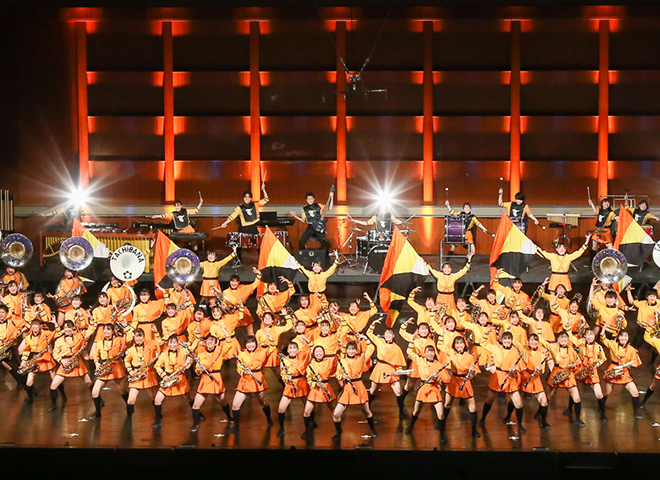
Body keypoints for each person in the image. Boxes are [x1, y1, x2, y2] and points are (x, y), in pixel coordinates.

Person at [479, 331, 525, 435]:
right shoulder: (496, 348)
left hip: (510, 377)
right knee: (489, 399)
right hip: (498, 376)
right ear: (502, 340)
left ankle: (518, 424)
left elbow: (519, 368)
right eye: (505, 339)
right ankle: (482, 419)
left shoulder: (515, 352)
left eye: (509, 339)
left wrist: (515, 371)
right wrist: (486, 334)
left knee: (518, 403)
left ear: (511, 340)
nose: (507, 341)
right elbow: (483, 343)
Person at [229, 335, 275, 433]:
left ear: (256, 343)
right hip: (245, 380)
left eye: (252, 342)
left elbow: (272, 348)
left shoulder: (262, 352)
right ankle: (236, 427)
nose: (250, 345)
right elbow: (239, 368)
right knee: (235, 405)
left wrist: (271, 340)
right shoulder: (242, 354)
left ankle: (269, 419)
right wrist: (243, 372)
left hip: (257, 378)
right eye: (248, 343)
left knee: (263, 402)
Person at [332, 341, 377, 440]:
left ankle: (373, 429)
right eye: (349, 349)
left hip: (359, 387)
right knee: (336, 414)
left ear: (356, 351)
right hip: (348, 387)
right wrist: (342, 377)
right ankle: (338, 432)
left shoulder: (361, 358)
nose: (351, 351)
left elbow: (371, 348)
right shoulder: (342, 361)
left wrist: (365, 339)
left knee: (366, 411)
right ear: (346, 350)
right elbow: (338, 374)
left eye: (353, 349)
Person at [540, 330, 585, 427]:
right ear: (558, 339)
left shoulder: (571, 349)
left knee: (576, 397)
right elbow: (542, 341)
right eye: (561, 337)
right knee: (548, 396)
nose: (563, 339)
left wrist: (574, 366)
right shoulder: (554, 347)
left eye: (565, 338)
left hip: (568, 373)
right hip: (556, 372)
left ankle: (578, 419)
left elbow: (578, 362)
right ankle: (540, 414)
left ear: (568, 339)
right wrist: (539, 330)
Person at [191, 334, 233, 432]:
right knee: (196, 404)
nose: (209, 342)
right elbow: (197, 371)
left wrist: (226, 334)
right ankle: (195, 423)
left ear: (215, 343)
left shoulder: (220, 351)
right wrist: (199, 369)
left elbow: (229, 344)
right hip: (205, 380)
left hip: (216, 378)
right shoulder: (201, 355)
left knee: (222, 401)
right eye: (208, 340)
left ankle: (229, 417)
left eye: (212, 340)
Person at [49, 319, 94, 411]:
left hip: (77, 361)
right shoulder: (59, 340)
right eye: (65, 328)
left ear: (73, 328)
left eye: (69, 327)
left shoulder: (79, 336)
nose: (67, 330)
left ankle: (98, 400)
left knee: (89, 382)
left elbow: (90, 331)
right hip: (65, 363)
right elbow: (55, 353)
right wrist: (61, 360)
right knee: (53, 385)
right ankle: (53, 404)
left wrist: (92, 321)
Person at [365, 318, 407, 417]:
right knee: (373, 391)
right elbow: (369, 333)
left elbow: (399, 362)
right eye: (386, 334)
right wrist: (373, 323)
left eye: (390, 334)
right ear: (384, 335)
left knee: (398, 391)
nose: (388, 336)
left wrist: (399, 371)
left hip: (391, 369)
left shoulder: (397, 348)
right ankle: (367, 408)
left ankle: (401, 411)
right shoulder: (380, 341)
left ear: (393, 336)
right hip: (380, 369)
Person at [217, 182, 269, 261]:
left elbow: (266, 199)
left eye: (248, 197)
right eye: (245, 197)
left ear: (251, 198)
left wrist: (264, 189)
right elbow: (232, 216)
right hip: (243, 228)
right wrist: (224, 223)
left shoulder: (255, 205)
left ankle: (262, 260)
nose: (247, 198)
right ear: (243, 198)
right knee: (239, 245)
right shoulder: (240, 208)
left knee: (258, 244)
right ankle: (238, 261)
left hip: (253, 227)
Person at [443, 336, 482, 439]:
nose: (459, 345)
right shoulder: (451, 354)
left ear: (464, 345)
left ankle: (474, 431)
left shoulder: (469, 357)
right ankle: (441, 425)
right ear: (454, 345)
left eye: (461, 343)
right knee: (447, 404)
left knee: (472, 407)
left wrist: (472, 374)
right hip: (454, 381)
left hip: (465, 382)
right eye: (457, 343)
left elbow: (475, 371)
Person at [405, 344, 447, 438]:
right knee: (416, 411)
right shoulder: (420, 361)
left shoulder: (438, 364)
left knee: (441, 414)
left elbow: (446, 379)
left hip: (434, 388)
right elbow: (409, 352)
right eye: (428, 352)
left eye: (431, 352)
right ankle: (410, 427)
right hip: (423, 388)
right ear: (425, 353)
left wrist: (437, 378)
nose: (430, 354)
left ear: (434, 353)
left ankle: (442, 435)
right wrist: (412, 341)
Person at [566, 328, 608, 422]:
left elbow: (603, 358)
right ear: (585, 336)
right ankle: (569, 408)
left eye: (592, 335)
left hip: (592, 370)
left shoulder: (598, 347)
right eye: (588, 335)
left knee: (599, 394)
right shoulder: (580, 343)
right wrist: (568, 327)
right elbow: (571, 337)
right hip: (581, 369)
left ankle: (603, 414)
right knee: (574, 389)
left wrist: (596, 364)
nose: (590, 337)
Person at [600, 328, 643, 419]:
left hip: (624, 371)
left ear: (628, 338)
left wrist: (629, 365)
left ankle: (636, 413)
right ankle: (601, 409)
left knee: (635, 392)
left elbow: (635, 361)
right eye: (622, 336)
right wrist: (603, 329)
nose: (624, 338)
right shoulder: (613, 345)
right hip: (613, 370)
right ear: (618, 337)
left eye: (626, 336)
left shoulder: (631, 349)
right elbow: (603, 338)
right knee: (607, 393)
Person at [152, 335, 194, 428]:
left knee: (188, 397)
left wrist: (189, 363)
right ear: (168, 344)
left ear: (178, 343)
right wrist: (163, 375)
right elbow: (157, 366)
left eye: (174, 342)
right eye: (170, 343)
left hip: (180, 379)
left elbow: (192, 352)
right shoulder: (164, 354)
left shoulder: (183, 351)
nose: (172, 345)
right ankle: (158, 419)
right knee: (157, 400)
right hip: (169, 379)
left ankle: (197, 414)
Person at [90, 324, 128, 419]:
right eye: (105, 330)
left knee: (123, 390)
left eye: (109, 330)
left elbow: (128, 339)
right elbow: (95, 356)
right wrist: (97, 364)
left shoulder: (118, 340)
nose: (106, 332)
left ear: (113, 331)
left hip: (116, 367)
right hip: (104, 368)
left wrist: (125, 328)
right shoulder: (99, 343)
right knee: (95, 392)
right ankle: (97, 412)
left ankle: (129, 407)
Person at [276, 341, 311, 437]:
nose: (292, 350)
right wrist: (286, 378)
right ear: (287, 350)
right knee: (281, 408)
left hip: (302, 382)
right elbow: (283, 374)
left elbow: (308, 352)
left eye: (294, 348)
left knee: (308, 407)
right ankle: (281, 428)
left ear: (298, 350)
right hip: (290, 384)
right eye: (290, 348)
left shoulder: (302, 357)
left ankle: (309, 428)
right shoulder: (284, 360)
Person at [124, 327, 160, 420]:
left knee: (154, 397)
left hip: (148, 373)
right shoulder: (131, 349)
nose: (139, 338)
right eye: (137, 336)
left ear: (144, 337)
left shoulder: (150, 344)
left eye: (140, 336)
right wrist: (130, 370)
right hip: (137, 374)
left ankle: (158, 416)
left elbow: (159, 343)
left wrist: (156, 333)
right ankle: (128, 419)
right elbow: (126, 361)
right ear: (134, 337)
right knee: (131, 400)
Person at [20, 319, 59, 406]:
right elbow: (27, 350)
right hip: (35, 359)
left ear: (40, 326)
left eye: (36, 325)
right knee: (29, 382)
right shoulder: (28, 337)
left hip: (46, 358)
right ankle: (30, 398)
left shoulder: (46, 334)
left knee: (55, 380)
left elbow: (58, 334)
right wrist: (23, 360)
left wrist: (55, 324)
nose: (35, 327)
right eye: (33, 325)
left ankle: (58, 399)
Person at [517, 333, 551, 429]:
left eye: (536, 340)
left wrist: (539, 370)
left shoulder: (541, 354)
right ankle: (511, 419)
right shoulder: (523, 349)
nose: (534, 342)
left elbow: (542, 371)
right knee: (515, 400)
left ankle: (544, 422)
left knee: (544, 401)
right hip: (524, 376)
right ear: (528, 341)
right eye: (531, 340)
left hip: (535, 377)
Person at [303, 345, 337, 439]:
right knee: (307, 411)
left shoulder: (329, 362)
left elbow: (334, 370)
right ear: (313, 354)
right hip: (315, 389)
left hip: (326, 387)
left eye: (320, 351)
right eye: (316, 352)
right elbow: (308, 379)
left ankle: (338, 431)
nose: (319, 353)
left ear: (324, 353)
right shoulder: (310, 364)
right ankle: (307, 431)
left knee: (334, 411)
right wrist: (315, 384)